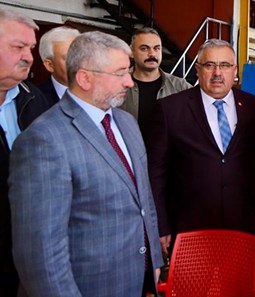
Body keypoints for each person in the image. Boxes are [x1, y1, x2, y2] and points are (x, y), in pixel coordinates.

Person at [8, 31, 163, 297]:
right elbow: (40, 256)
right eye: (120, 73)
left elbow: (144, 199)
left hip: (135, 280)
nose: (129, 82)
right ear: (84, 78)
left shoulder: (127, 122)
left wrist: (155, 260)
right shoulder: (43, 140)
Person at [147, 39, 255, 257]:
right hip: (189, 228)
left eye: (225, 65)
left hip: (242, 224)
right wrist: (160, 225)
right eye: (210, 65)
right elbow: (156, 174)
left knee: (237, 280)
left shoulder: (254, 107)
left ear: (235, 70)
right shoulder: (169, 110)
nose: (217, 73)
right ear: (198, 69)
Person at [0, 7, 49, 296]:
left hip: (25, 255)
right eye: (18, 47)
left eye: (30, 48)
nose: (29, 57)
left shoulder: (34, 98)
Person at [121, 27, 191, 134]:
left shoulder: (180, 87)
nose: (152, 54)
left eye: (157, 48)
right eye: (144, 48)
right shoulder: (119, 84)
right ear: (132, 51)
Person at [37, 26, 80, 105]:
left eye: (80, 56)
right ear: (49, 65)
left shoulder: (99, 92)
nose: (77, 62)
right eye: (68, 58)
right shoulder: (35, 99)